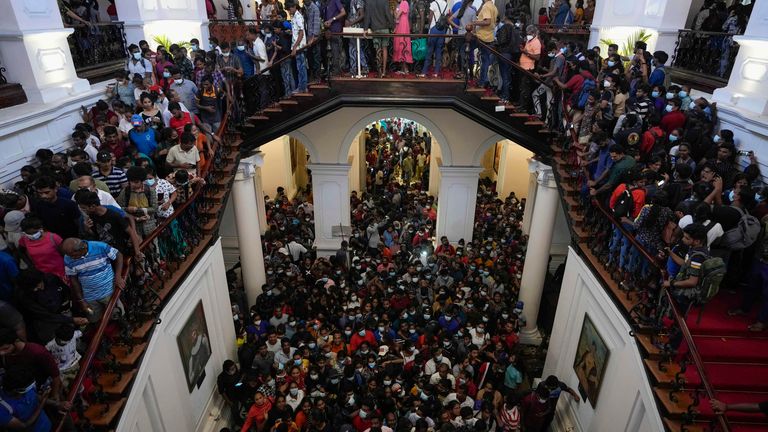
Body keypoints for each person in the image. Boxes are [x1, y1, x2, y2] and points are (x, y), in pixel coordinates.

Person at [62, 238, 125, 323]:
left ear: (82, 249)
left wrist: (118, 276)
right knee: (93, 319)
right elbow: (73, 279)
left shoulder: (99, 246)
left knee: (117, 316)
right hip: (89, 298)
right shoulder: (68, 257)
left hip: (109, 292)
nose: (71, 257)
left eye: (72, 255)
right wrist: (81, 300)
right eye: (69, 255)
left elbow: (118, 255)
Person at [418, 0, 450, 78]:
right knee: (439, 51)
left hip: (433, 29)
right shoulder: (446, 4)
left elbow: (430, 18)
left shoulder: (433, 3)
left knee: (429, 51)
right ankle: (436, 72)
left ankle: (424, 72)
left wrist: (429, 28)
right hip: (442, 30)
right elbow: (448, 16)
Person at [363, 0, 393, 78]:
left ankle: (379, 72)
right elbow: (388, 14)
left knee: (378, 50)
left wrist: (365, 29)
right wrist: (393, 26)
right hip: (385, 28)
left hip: (375, 28)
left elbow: (367, 16)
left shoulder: (369, 2)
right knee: (385, 49)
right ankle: (384, 71)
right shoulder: (385, 1)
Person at [472, 0, 497, 88]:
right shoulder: (493, 6)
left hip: (481, 36)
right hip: (489, 37)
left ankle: (470, 76)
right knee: (485, 60)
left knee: (465, 50)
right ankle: (483, 81)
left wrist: (474, 22)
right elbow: (478, 13)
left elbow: (487, 21)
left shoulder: (487, 7)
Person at [392, 0, 412, 74]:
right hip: (399, 26)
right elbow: (396, 18)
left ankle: (405, 69)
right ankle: (402, 69)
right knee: (399, 45)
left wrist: (394, 11)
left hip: (403, 26)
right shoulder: (399, 4)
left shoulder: (404, 3)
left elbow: (396, 16)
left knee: (403, 44)